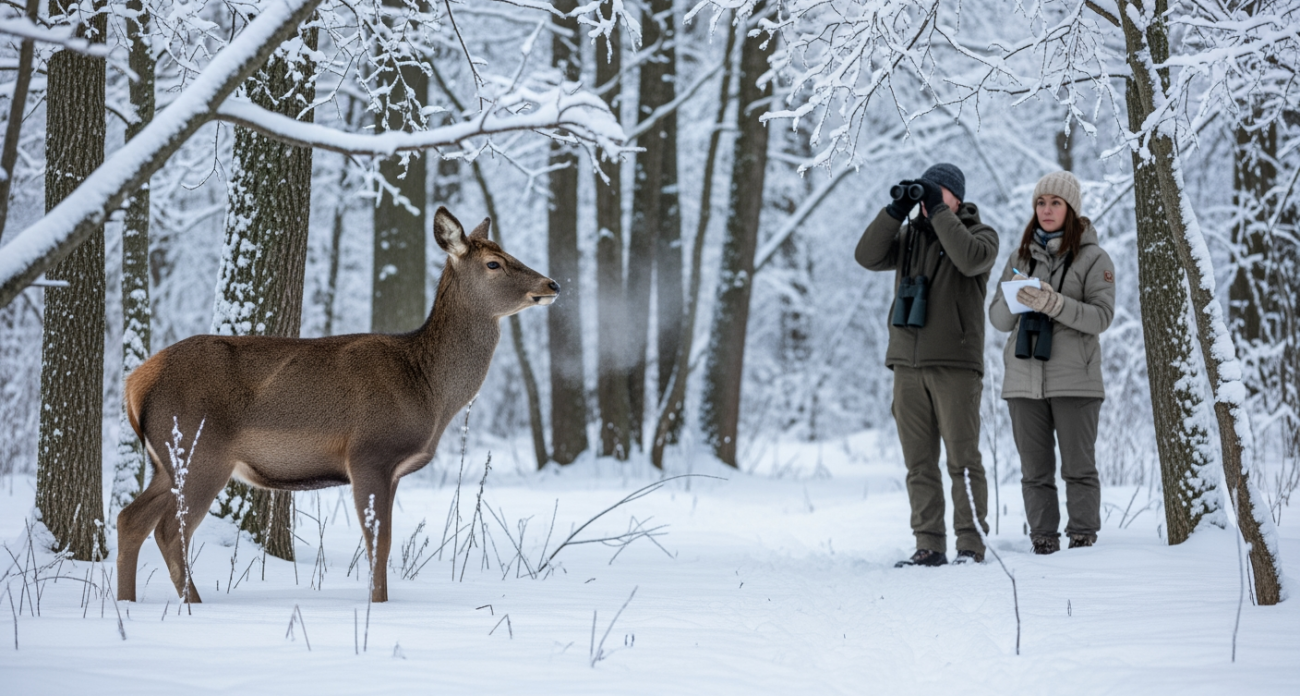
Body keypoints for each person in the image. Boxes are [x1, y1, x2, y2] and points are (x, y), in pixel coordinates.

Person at [856, 163, 1000, 567]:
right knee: (918, 462)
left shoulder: (981, 236)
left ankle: (970, 543)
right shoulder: (908, 239)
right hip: (906, 364)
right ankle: (929, 543)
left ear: (957, 197)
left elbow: (969, 260)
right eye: (927, 190)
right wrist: (895, 211)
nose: (931, 196)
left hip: (955, 365)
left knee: (962, 459)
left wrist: (938, 211)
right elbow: (866, 256)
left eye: (940, 191)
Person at [988, 171, 1115, 554]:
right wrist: (1016, 300)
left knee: (1078, 467)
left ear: (1071, 208)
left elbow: (1101, 317)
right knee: (1034, 472)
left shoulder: (1094, 258)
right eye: (1040, 203)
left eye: (1055, 203)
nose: (1046, 210)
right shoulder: (1019, 257)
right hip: (1024, 379)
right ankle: (1042, 539)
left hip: (1075, 379)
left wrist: (1054, 304)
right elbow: (996, 319)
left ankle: (1082, 538)